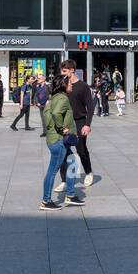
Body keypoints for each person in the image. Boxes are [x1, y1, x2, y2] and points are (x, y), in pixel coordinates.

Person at [40, 75, 84, 210]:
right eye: (70, 83)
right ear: (64, 85)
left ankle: (70, 195)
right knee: (52, 170)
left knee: (72, 161)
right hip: (58, 141)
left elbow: (48, 114)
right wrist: (61, 128)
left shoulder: (54, 98)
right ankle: (46, 201)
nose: (72, 85)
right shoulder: (63, 98)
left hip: (56, 140)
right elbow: (56, 113)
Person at [55, 60, 96, 190]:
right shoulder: (62, 85)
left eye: (64, 71)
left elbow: (90, 107)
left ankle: (88, 172)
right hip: (65, 122)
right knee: (63, 151)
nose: (62, 74)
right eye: (61, 71)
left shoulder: (83, 86)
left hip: (79, 122)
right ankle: (64, 181)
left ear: (72, 70)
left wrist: (87, 125)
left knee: (81, 150)